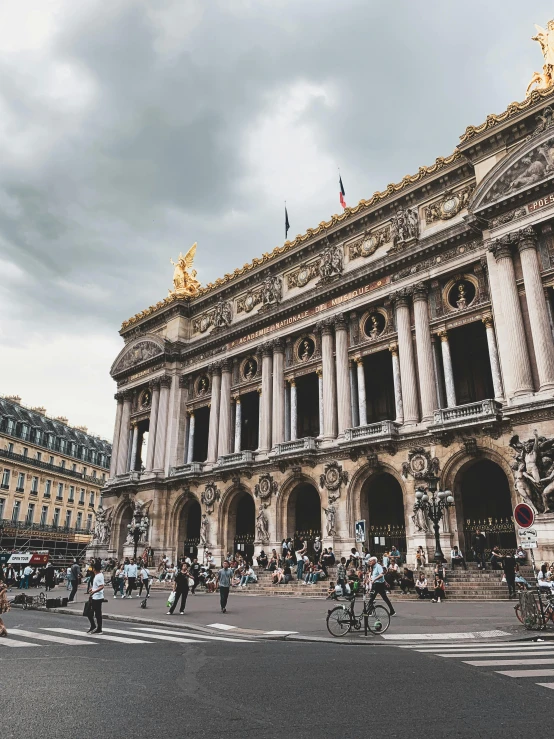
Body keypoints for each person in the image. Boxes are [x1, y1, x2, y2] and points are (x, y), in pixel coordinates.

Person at [86, 561, 105, 635]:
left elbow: (101, 586)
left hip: (97, 597)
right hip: (96, 596)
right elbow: (98, 585)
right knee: (96, 613)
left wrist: (94, 591)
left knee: (91, 612)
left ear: (94, 569)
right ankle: (96, 627)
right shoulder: (98, 575)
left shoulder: (98, 576)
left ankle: (96, 627)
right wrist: (92, 589)